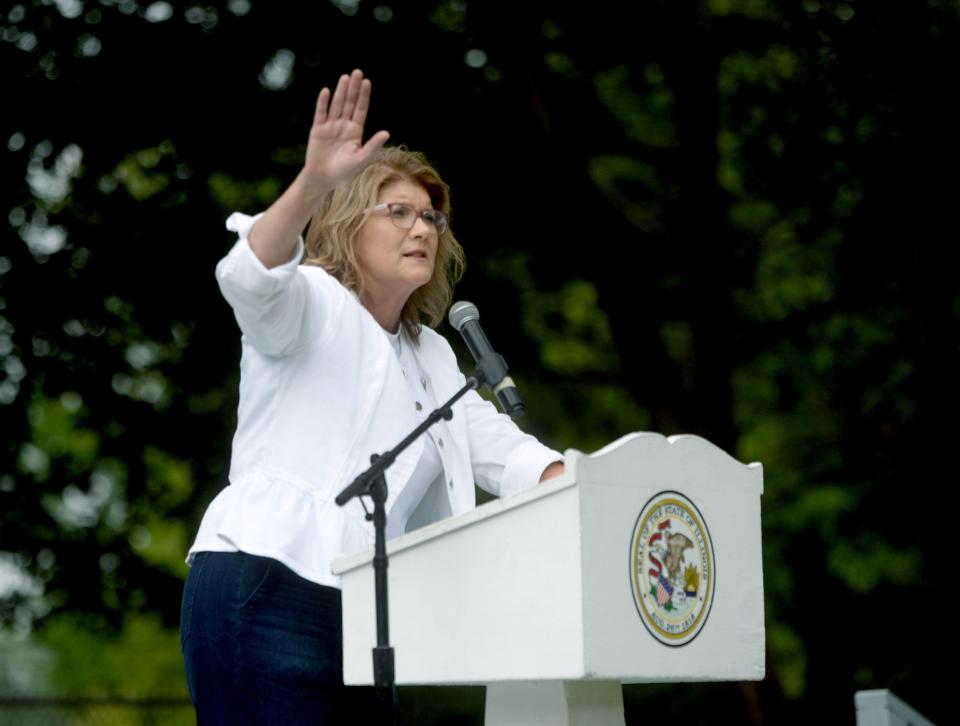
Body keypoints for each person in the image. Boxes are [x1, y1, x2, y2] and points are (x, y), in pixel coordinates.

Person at [179, 69, 565, 724]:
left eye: (432, 216)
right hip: (263, 583)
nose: (422, 228)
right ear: (352, 223)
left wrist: (596, 489)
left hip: (369, 616)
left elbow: (510, 456)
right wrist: (312, 184)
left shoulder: (434, 355)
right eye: (400, 213)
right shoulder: (311, 300)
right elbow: (249, 277)